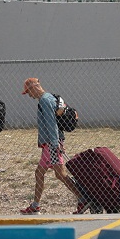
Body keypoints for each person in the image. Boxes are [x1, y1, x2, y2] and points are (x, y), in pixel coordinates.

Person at [20, 78, 84, 214]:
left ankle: (82, 198)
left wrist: (55, 144)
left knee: (60, 174)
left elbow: (51, 123)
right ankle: (35, 205)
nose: (30, 95)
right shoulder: (50, 98)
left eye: (28, 92)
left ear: (33, 88)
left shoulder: (44, 100)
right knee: (42, 173)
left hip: (51, 144)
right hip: (49, 145)